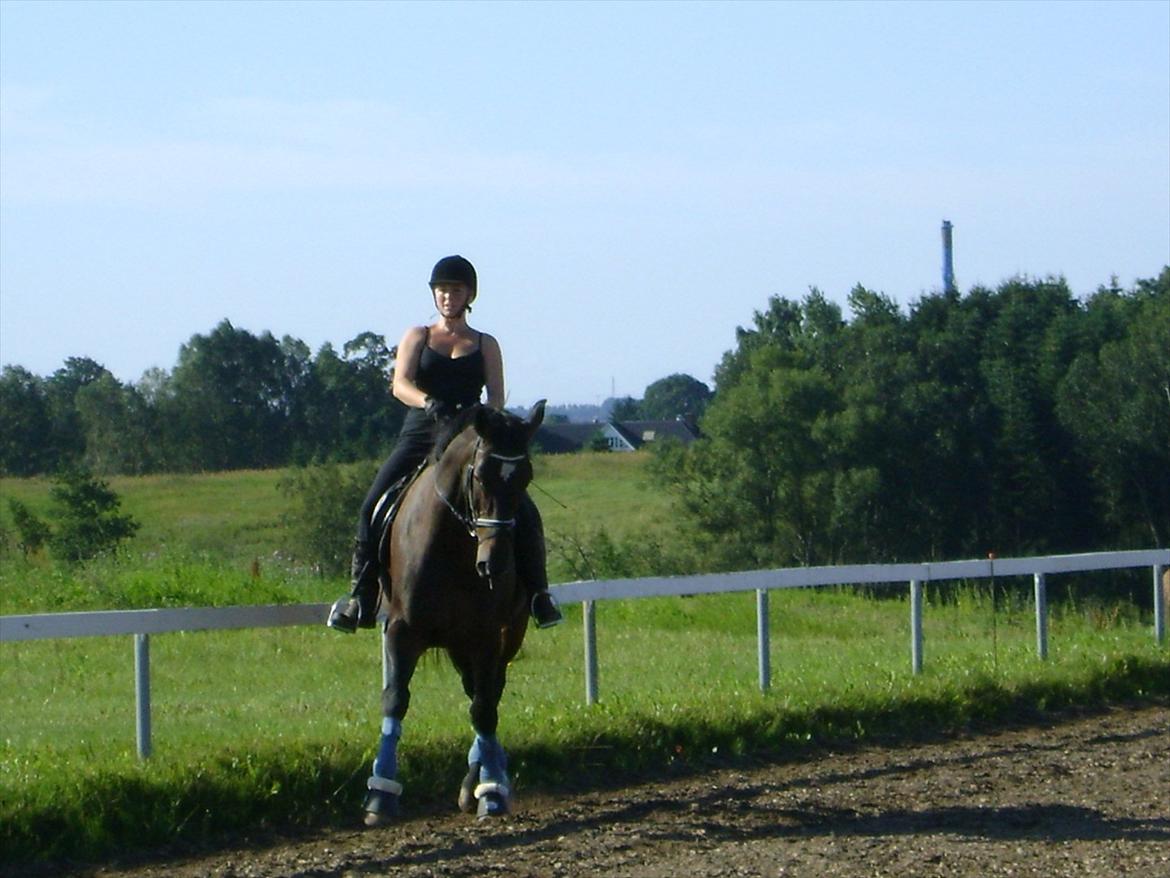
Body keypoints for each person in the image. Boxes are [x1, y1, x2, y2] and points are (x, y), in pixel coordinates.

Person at [328, 254, 563, 633]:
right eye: (442, 290)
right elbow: (400, 384)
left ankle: (539, 595)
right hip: (421, 431)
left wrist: (480, 422)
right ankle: (360, 596)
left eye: (455, 290)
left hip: (467, 437)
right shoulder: (417, 336)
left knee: (523, 510)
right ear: (434, 295)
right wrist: (427, 401)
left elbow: (497, 397)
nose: (448, 297)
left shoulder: (485, 344)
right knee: (373, 504)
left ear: (469, 295)